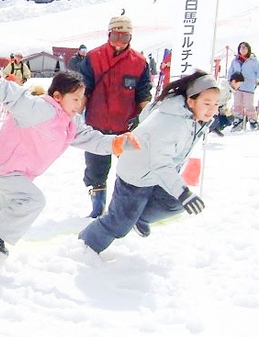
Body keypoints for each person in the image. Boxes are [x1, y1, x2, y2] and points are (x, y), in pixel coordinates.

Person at [0, 71, 138, 257]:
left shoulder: (71, 123)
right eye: (75, 99)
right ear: (57, 96)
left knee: (7, 211)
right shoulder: (40, 109)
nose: (79, 105)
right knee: (32, 201)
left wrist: (115, 143)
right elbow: (12, 92)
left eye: (81, 100)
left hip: (17, 170)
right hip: (3, 165)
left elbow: (90, 138)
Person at [78, 72, 219, 254]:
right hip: (137, 175)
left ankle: (139, 218)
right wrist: (183, 192)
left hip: (158, 174)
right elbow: (160, 164)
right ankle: (84, 247)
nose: (212, 109)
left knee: (175, 202)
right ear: (191, 101)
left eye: (216, 104)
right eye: (207, 103)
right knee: (119, 224)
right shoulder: (171, 123)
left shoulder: (190, 115)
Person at [79, 15, 152, 218]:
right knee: (96, 171)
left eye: (124, 37)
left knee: (132, 169)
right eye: (115, 35)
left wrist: (145, 118)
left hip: (126, 127)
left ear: (131, 37)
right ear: (108, 34)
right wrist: (74, 115)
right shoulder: (93, 57)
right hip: (96, 124)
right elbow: (82, 90)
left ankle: (126, 209)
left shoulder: (139, 62)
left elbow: (144, 93)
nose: (119, 41)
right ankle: (97, 207)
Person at [227, 41, 259, 130]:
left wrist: (258, 79)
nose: (243, 50)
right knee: (237, 104)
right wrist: (230, 80)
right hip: (237, 86)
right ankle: (238, 119)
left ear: (248, 49)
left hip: (249, 86)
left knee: (248, 104)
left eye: (245, 48)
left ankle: (252, 120)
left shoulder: (253, 61)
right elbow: (231, 71)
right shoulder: (235, 60)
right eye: (241, 48)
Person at [210, 72, 244, 136]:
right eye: (239, 84)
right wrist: (216, 113)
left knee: (230, 119)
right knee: (216, 120)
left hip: (218, 110)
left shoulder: (229, 90)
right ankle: (212, 128)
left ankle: (215, 127)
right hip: (212, 110)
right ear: (234, 81)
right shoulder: (223, 90)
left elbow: (223, 103)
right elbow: (214, 101)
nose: (239, 86)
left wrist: (226, 111)